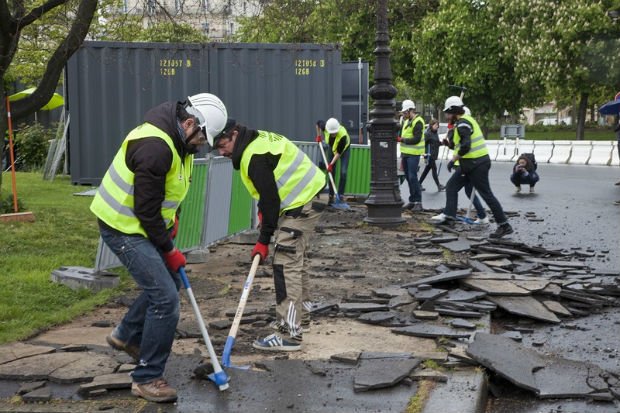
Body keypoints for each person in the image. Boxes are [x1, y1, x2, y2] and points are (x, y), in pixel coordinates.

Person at [90, 93, 224, 403]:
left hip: (143, 224)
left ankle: (126, 334)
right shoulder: (155, 147)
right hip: (122, 226)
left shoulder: (180, 140)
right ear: (189, 122)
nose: (204, 143)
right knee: (165, 299)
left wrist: (172, 221)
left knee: (170, 282)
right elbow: (145, 210)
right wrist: (168, 248)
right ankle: (147, 377)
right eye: (203, 136)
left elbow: (168, 190)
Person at [210, 108, 326, 352]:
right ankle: (300, 315)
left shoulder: (253, 156)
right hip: (311, 195)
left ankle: (289, 333)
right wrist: (264, 213)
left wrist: (263, 240)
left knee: (285, 262)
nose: (221, 152)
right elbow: (269, 193)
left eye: (222, 145)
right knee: (295, 258)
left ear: (233, 135)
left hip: (302, 203)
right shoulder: (255, 139)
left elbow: (271, 199)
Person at [430, 96, 512, 238]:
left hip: (477, 164)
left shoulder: (463, 124)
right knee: (451, 186)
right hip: (469, 164)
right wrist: (449, 146)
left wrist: (455, 158)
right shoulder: (462, 123)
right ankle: (449, 216)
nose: (446, 116)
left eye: (448, 113)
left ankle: (504, 225)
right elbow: (460, 144)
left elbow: (466, 146)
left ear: (454, 111)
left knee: (486, 194)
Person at [397, 99, 425, 211]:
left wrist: (402, 139)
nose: (403, 114)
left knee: (413, 177)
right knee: (408, 177)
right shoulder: (406, 121)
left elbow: (416, 139)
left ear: (410, 110)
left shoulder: (418, 121)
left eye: (405, 112)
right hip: (405, 153)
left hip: (414, 154)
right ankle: (413, 200)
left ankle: (418, 202)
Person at [316, 118, 351, 204]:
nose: (333, 134)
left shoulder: (343, 136)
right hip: (332, 149)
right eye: (332, 133)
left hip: (344, 150)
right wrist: (319, 136)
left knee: (343, 172)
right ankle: (331, 196)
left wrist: (330, 164)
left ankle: (340, 195)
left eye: (335, 132)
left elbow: (339, 153)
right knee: (331, 173)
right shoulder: (325, 127)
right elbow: (317, 124)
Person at [419, 119, 445, 192]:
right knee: (434, 169)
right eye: (435, 125)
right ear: (431, 125)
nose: (437, 126)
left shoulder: (435, 133)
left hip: (434, 155)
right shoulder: (428, 134)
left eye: (437, 125)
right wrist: (424, 154)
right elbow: (423, 144)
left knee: (426, 171)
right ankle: (438, 185)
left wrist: (442, 143)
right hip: (429, 155)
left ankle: (418, 184)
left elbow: (436, 143)